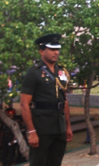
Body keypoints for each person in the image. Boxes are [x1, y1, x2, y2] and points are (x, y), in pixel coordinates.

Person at [20, 33, 73, 166]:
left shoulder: (61, 72)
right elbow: (24, 104)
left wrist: (68, 126)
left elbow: (64, 100)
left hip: (59, 127)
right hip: (41, 128)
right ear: (42, 51)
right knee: (39, 162)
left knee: (56, 162)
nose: (56, 52)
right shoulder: (33, 73)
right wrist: (31, 131)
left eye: (58, 49)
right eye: (52, 49)